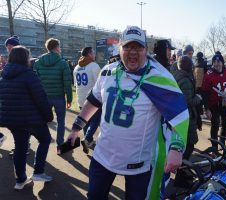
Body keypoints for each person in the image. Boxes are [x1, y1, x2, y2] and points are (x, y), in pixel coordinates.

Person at [67, 26, 189, 200]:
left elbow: (180, 115)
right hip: (103, 157)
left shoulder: (160, 78)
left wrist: (176, 148)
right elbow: (93, 101)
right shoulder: (108, 71)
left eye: (138, 47)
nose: (132, 52)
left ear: (146, 50)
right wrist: (76, 127)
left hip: (138, 166)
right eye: (127, 47)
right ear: (120, 48)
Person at [0, 45, 53, 189]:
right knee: (45, 139)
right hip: (31, 119)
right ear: (25, 58)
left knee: (20, 147)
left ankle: (20, 179)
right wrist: (48, 116)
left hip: (12, 120)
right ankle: (39, 171)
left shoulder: (3, 76)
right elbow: (40, 98)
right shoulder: (29, 75)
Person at [34, 38, 73, 154]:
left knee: (43, 120)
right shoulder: (63, 63)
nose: (60, 49)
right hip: (59, 97)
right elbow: (67, 83)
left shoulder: (38, 62)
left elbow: (35, 82)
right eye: (59, 47)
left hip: (44, 97)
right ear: (56, 47)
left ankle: (43, 142)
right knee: (61, 122)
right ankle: (60, 146)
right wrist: (69, 99)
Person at [172, 55, 201, 187]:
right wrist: (198, 98)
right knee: (188, 147)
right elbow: (187, 100)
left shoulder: (177, 75)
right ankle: (181, 178)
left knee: (185, 147)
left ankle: (182, 175)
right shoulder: (185, 80)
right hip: (186, 117)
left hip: (180, 116)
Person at [202, 51, 226, 149]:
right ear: (212, 63)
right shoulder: (208, 75)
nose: (217, 64)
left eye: (219, 62)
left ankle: (222, 143)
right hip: (213, 103)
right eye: (215, 61)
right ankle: (214, 147)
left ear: (222, 63)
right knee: (215, 124)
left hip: (225, 103)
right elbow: (204, 93)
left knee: (225, 124)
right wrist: (206, 108)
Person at [73, 47, 101, 153]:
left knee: (85, 121)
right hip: (92, 99)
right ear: (89, 54)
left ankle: (87, 140)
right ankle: (88, 138)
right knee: (96, 119)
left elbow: (75, 84)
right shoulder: (94, 65)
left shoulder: (76, 67)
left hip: (81, 97)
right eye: (93, 52)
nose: (95, 55)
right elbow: (100, 83)